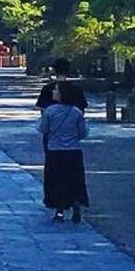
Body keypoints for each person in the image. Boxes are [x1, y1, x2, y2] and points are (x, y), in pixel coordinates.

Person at [37, 80, 89, 222]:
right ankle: (76, 204)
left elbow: (43, 129)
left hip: (55, 150)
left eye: (56, 91)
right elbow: (83, 133)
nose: (54, 92)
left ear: (62, 94)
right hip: (73, 151)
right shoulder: (76, 112)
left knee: (56, 180)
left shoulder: (50, 111)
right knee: (74, 179)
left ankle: (59, 210)